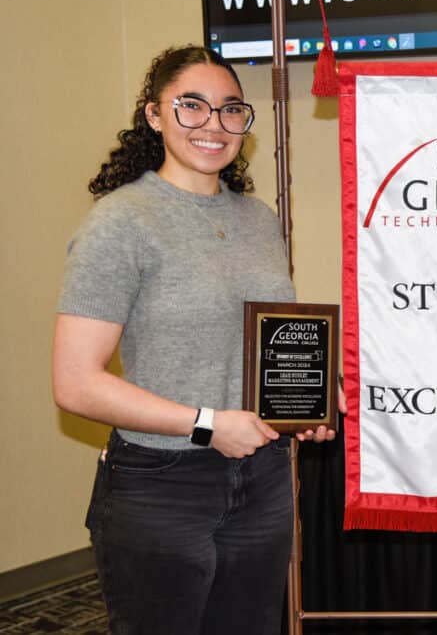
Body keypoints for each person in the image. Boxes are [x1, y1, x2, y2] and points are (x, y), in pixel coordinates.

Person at [52, 46, 337, 634]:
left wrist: (308, 401)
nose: (214, 125)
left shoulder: (258, 220)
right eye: (192, 107)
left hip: (263, 476)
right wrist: (208, 423)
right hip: (161, 485)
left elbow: (273, 342)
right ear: (154, 115)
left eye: (231, 110)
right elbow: (75, 383)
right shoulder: (121, 222)